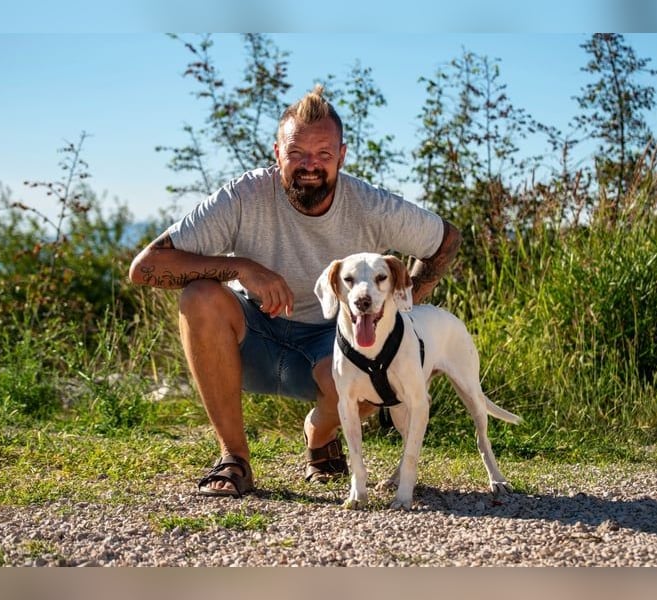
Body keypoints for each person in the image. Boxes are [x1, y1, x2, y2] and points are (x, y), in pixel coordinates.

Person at [129, 84, 460, 497]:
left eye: (323, 154)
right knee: (199, 296)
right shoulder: (242, 195)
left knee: (376, 376)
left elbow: (445, 240)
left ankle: (319, 435)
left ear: (342, 155)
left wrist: (398, 307)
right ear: (276, 153)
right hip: (252, 334)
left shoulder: (371, 205)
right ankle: (234, 458)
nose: (310, 165)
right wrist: (242, 267)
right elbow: (145, 268)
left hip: (332, 340)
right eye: (297, 153)